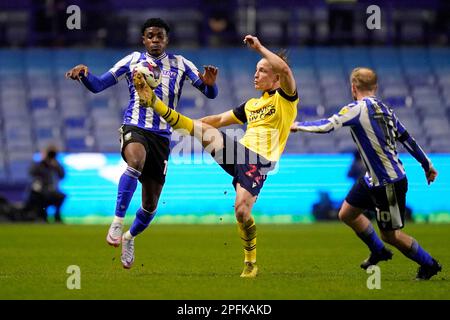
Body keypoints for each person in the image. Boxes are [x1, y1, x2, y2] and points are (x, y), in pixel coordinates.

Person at [133, 35, 298, 277]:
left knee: (242, 212)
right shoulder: (252, 105)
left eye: (262, 71)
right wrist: (190, 127)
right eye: (256, 69)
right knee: (206, 129)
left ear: (276, 78)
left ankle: (250, 262)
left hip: (260, 161)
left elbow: (284, 67)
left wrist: (260, 48)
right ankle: (155, 103)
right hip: (239, 153)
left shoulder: (286, 99)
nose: (256, 74)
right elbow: (220, 120)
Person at [65, 18, 219, 269]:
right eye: (150, 36)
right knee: (135, 160)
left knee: (150, 205)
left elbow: (209, 92)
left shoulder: (181, 64)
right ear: (143, 39)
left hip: (162, 136)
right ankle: (117, 221)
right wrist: (84, 74)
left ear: (166, 40)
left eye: (160, 36)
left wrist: (211, 85)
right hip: (135, 126)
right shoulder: (131, 61)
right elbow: (98, 85)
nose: (155, 40)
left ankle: (129, 236)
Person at [291, 67, 442, 280]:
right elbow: (407, 139)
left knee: (391, 235)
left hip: (388, 183)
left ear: (353, 87)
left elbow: (327, 125)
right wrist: (427, 165)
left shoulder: (356, 109)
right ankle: (378, 251)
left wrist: (298, 126)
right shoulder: (387, 110)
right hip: (372, 179)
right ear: (375, 87)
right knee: (346, 213)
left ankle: (429, 264)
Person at [24, 145, 66, 223]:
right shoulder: (39, 164)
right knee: (41, 198)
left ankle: (57, 216)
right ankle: (42, 216)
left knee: (61, 196)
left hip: (51, 191)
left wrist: (56, 165)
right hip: (40, 191)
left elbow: (62, 175)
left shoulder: (56, 165)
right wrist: (43, 161)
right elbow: (31, 173)